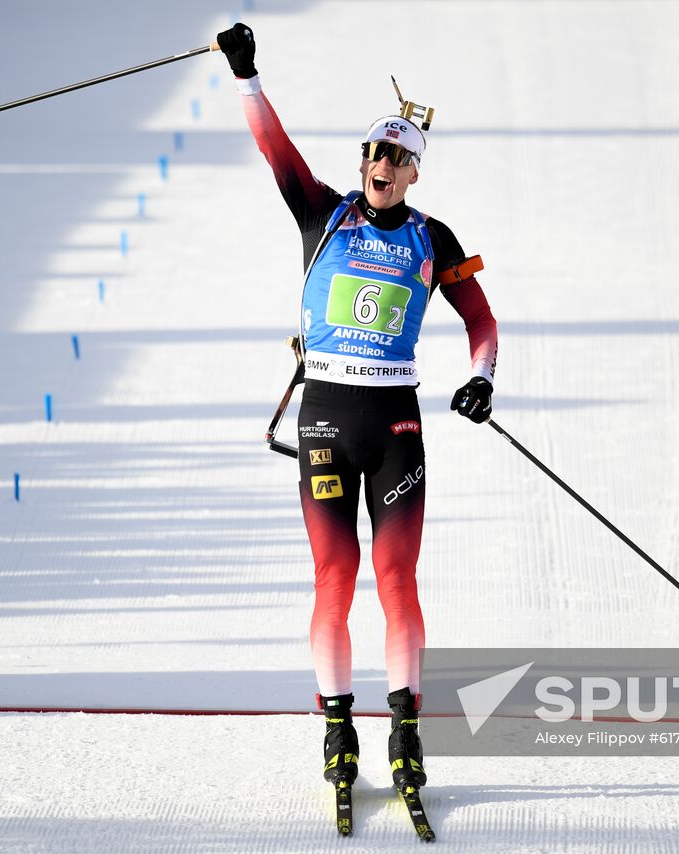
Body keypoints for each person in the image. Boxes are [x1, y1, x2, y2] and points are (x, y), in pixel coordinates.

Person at [217, 23, 498, 795]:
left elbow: (481, 320)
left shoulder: (433, 238)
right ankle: (338, 729)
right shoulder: (325, 214)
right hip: (326, 422)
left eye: (399, 158)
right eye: (376, 153)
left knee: (397, 580)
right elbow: (277, 151)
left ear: (414, 174)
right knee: (335, 578)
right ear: (363, 162)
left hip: (395, 426)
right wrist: (247, 74)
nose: (384, 165)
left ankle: (406, 731)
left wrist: (482, 378)